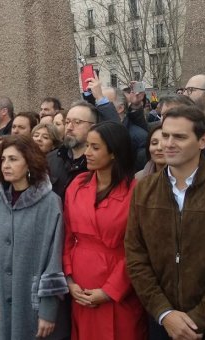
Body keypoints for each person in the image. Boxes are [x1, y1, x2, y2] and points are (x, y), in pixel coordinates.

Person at [124, 105, 205, 339]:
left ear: (202, 140)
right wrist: (164, 312)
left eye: (179, 137)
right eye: (165, 135)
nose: (168, 143)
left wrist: (198, 320)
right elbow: (136, 255)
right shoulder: (143, 190)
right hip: (162, 324)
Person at [0, 134, 69, 340]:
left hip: (35, 303)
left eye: (13, 159)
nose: (6, 164)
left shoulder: (49, 203)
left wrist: (48, 310)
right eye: (3, 159)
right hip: (5, 302)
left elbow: (55, 258)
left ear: (29, 162)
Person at [63, 122, 147, 340]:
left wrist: (111, 290)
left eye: (95, 147)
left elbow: (138, 248)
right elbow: (67, 237)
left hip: (119, 287)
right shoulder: (78, 185)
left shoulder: (135, 191)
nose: (87, 153)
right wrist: (70, 280)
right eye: (87, 146)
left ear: (113, 152)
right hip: (80, 285)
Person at [47, 100, 118, 200]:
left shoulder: (99, 165)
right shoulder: (51, 159)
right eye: (67, 122)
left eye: (77, 122)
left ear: (92, 127)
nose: (69, 127)